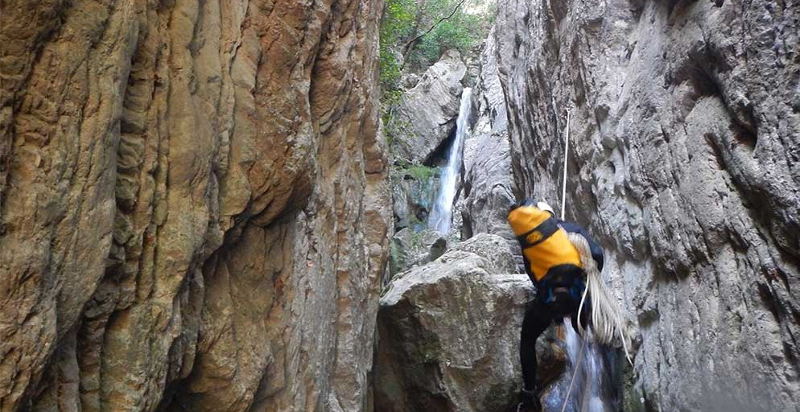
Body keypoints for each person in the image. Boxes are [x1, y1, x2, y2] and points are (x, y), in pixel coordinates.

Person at [507, 199, 604, 412]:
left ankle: (529, 394)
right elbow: (598, 255)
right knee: (595, 335)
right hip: (579, 299)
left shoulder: (532, 245)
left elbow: (534, 276)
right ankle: (601, 388)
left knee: (528, 338)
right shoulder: (573, 229)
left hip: (550, 302)